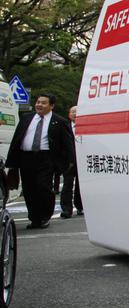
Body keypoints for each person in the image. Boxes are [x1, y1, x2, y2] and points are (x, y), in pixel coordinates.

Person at [5, 94, 74, 229]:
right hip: (26, 157)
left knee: (44, 187)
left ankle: (44, 216)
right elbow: (16, 139)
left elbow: (67, 144)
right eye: (38, 102)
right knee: (29, 189)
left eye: (43, 103)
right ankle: (34, 218)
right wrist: (12, 163)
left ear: (51, 106)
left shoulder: (59, 121)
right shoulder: (26, 118)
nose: (39, 105)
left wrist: (68, 163)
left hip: (46, 158)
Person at [60, 105, 83, 218]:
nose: (75, 114)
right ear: (69, 115)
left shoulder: (85, 127)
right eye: (73, 112)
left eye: (77, 111)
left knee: (81, 185)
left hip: (82, 159)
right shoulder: (64, 126)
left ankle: (80, 206)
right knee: (67, 185)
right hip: (68, 161)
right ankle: (66, 209)